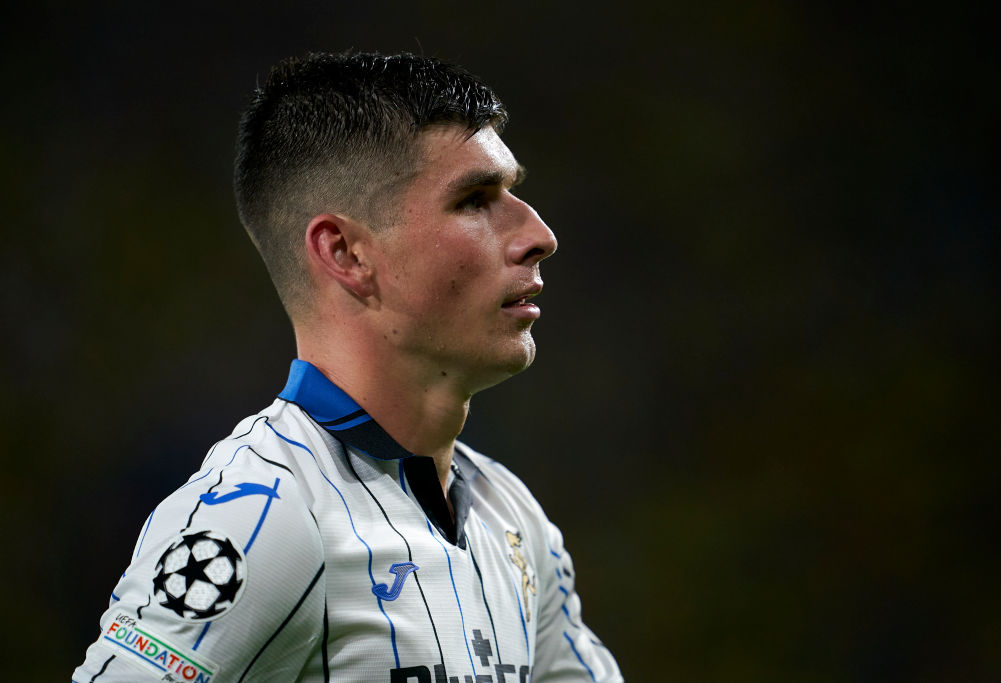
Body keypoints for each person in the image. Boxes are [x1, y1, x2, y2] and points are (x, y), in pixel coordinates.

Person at [73, 51, 621, 682]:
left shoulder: (512, 518)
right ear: (346, 253)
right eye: (475, 200)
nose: (540, 234)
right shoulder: (264, 516)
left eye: (512, 193)